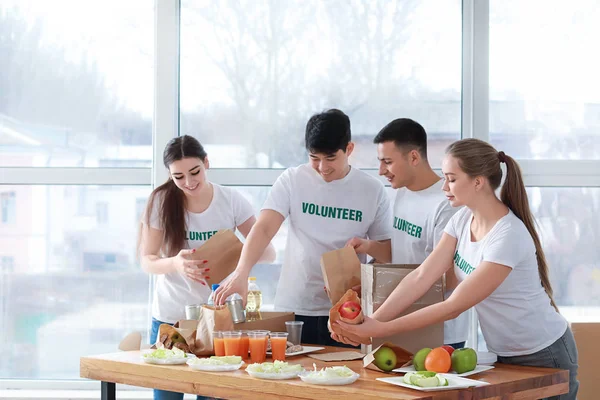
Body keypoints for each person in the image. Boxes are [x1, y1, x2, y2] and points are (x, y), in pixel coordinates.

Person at [334, 138, 578, 400]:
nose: (444, 187)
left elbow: (455, 305)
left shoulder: (508, 236)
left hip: (544, 353)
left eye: (451, 179)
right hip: (506, 353)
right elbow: (422, 276)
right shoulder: (462, 219)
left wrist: (380, 330)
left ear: (478, 181)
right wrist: (374, 320)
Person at [214, 109, 392, 346]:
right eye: (314, 158)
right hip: (294, 307)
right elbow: (265, 228)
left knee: (341, 378)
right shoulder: (292, 179)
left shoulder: (372, 190)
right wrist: (241, 271)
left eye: (330, 158)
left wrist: (366, 259)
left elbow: (387, 252)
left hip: (347, 311)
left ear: (349, 149)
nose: (322, 167)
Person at [138, 135, 275, 400]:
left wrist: (234, 256)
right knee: (166, 394)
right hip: (171, 318)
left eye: (195, 172)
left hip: (218, 320)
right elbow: (147, 261)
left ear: (207, 163)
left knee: (213, 394)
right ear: (169, 174)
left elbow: (268, 252)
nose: (189, 183)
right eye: (178, 177)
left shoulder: (232, 200)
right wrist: (176, 263)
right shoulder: (160, 202)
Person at [342, 118, 469, 349]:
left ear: (413, 157)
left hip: (438, 334)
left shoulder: (447, 204)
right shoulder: (401, 193)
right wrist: (370, 247)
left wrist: (388, 297)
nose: (381, 171)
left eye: (387, 162)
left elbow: (450, 278)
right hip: (397, 320)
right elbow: (404, 254)